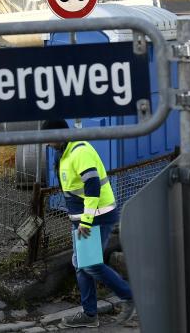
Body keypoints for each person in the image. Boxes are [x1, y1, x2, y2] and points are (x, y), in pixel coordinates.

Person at [42, 119, 135, 328]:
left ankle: (128, 296)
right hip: (84, 219)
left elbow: (93, 188)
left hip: (96, 217)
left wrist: (85, 221)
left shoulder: (79, 152)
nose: (46, 144)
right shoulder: (63, 151)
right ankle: (90, 314)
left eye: (47, 139)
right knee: (81, 264)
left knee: (89, 264)